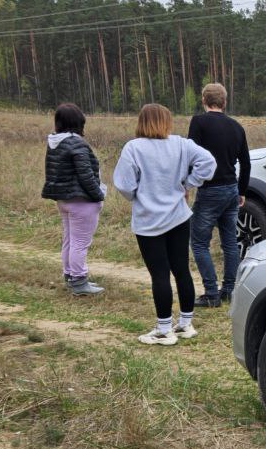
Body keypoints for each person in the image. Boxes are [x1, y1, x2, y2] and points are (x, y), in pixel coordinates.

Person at [112, 103, 216, 346]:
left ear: (142, 122)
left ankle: (163, 329)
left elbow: (124, 184)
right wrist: (187, 184)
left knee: (159, 275)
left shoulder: (133, 148)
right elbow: (209, 162)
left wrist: (138, 195)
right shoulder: (181, 144)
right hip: (179, 216)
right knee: (181, 270)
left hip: (148, 221)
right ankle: (186, 324)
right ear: (167, 121)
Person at [187, 83, 250, 307]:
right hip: (231, 188)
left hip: (209, 190)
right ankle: (230, 290)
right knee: (230, 243)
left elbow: (190, 155)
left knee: (199, 242)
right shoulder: (236, 126)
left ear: (204, 100)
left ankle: (211, 293)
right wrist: (241, 190)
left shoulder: (199, 122)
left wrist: (186, 184)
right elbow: (246, 162)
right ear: (224, 101)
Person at [42, 103, 106, 296]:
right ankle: (79, 281)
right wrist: (98, 195)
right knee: (80, 242)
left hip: (64, 199)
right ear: (78, 122)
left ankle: (71, 275)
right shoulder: (76, 143)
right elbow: (86, 175)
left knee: (70, 239)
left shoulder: (55, 141)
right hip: (82, 200)